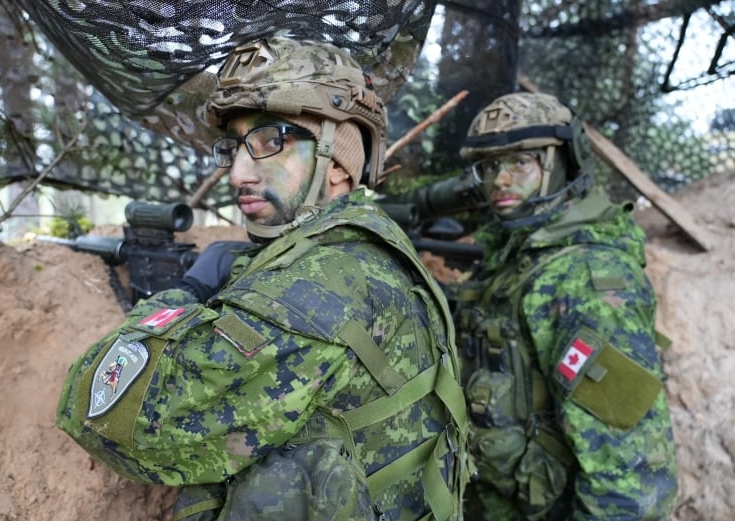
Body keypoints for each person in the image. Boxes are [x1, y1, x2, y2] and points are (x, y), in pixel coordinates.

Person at [55, 36, 469, 521]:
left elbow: (99, 413)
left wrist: (181, 295)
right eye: (234, 147)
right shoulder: (372, 245)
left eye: (271, 141)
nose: (238, 174)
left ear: (338, 161)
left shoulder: (319, 287)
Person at [452, 92, 678, 519]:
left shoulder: (583, 279)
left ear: (562, 163)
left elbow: (632, 483)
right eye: (490, 166)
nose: (501, 179)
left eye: (521, 162)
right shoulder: (515, 257)